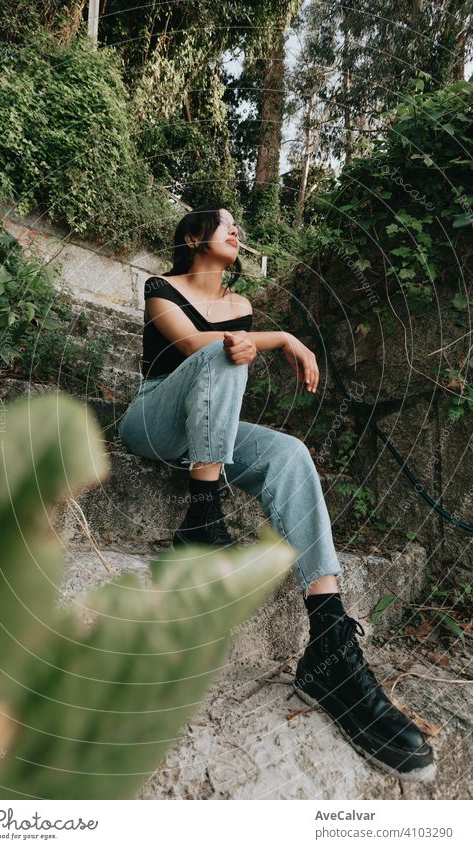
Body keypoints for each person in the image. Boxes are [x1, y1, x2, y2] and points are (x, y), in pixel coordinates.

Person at [118, 200, 435, 783]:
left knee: (288, 451)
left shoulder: (240, 304)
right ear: (192, 237)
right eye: (223, 222)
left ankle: (331, 641)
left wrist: (256, 336)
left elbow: (227, 362)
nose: (237, 230)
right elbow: (194, 348)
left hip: (205, 425)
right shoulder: (161, 286)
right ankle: (203, 515)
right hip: (154, 420)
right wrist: (283, 337)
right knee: (222, 348)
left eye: (238, 222)